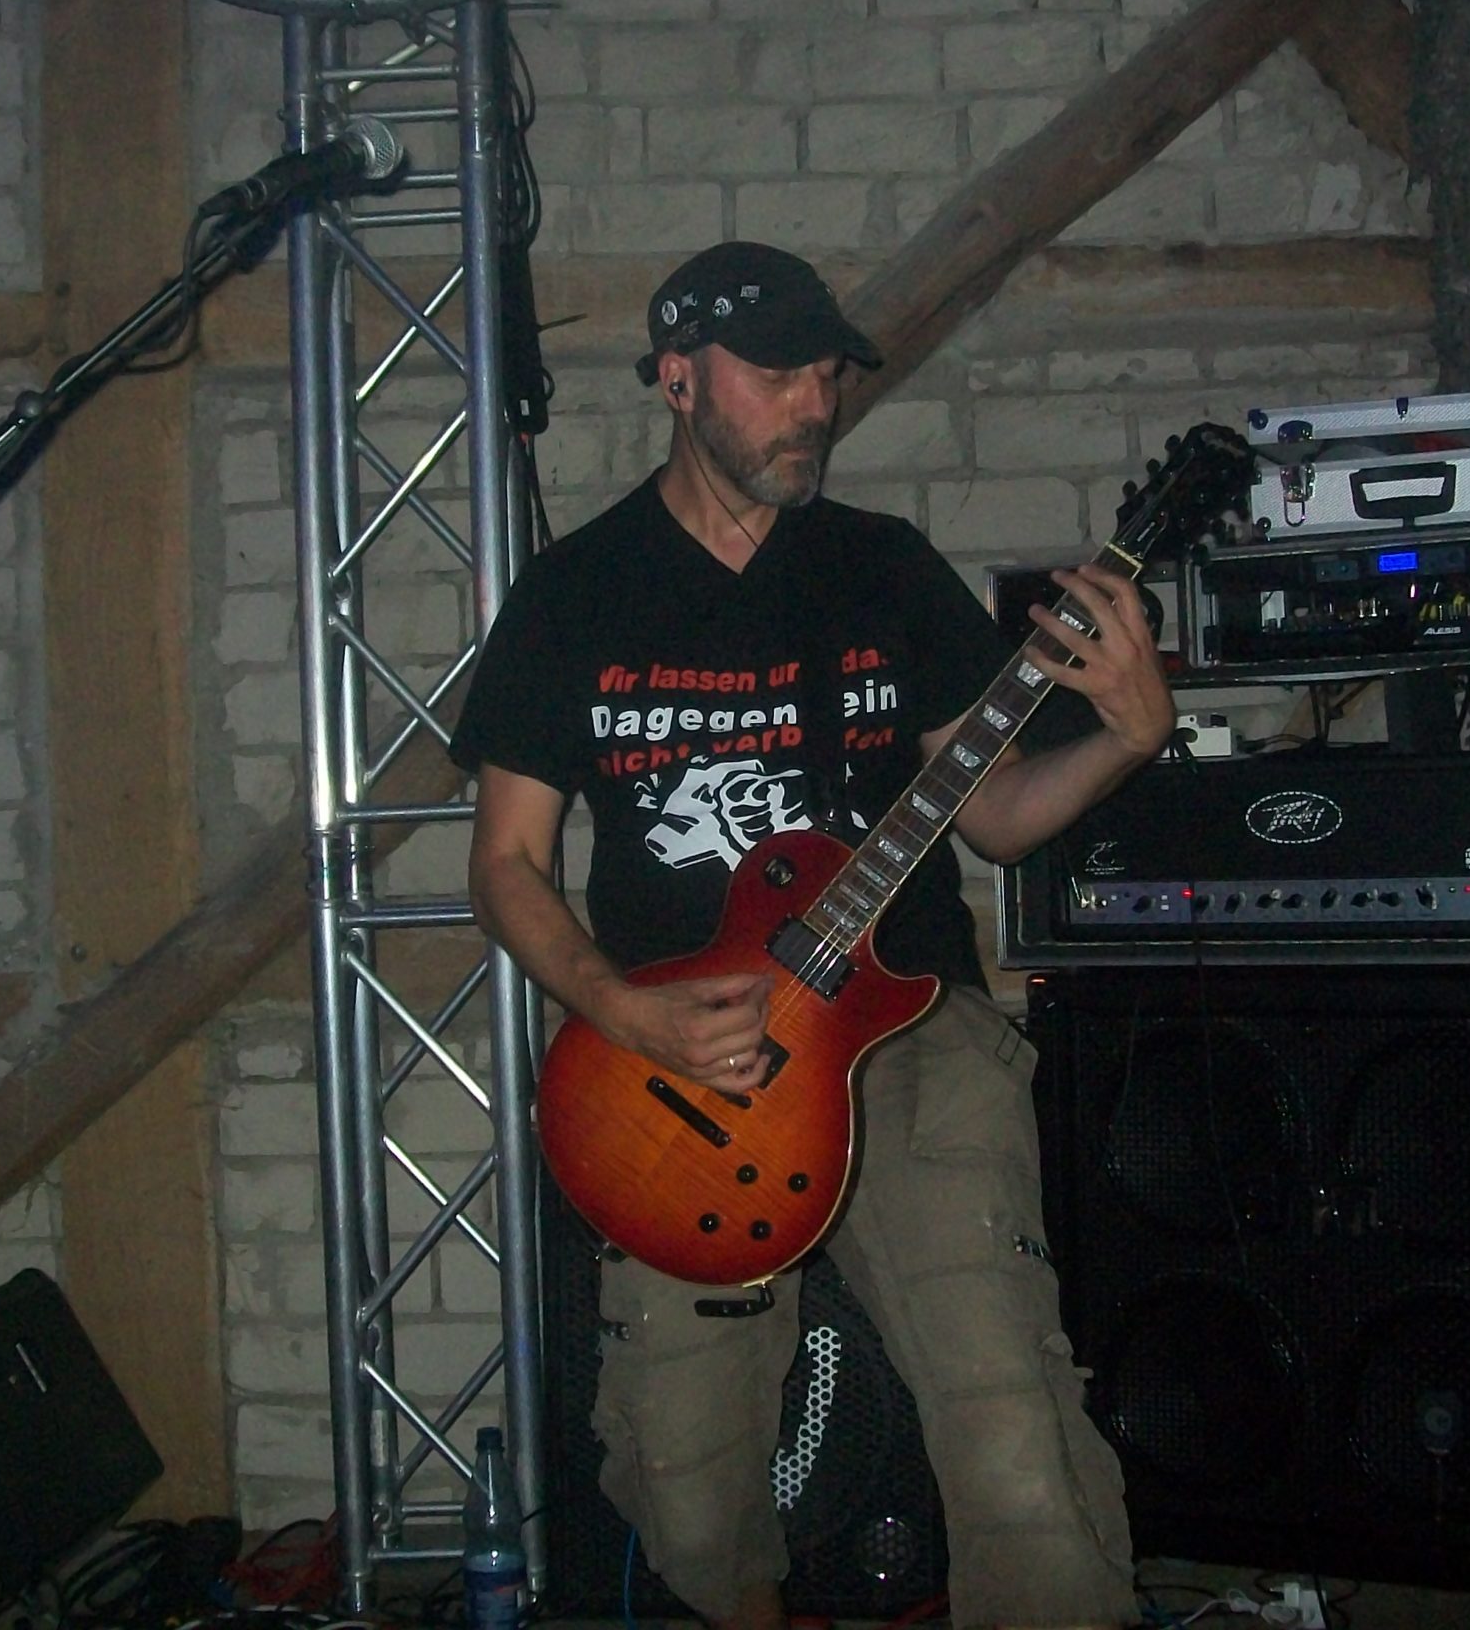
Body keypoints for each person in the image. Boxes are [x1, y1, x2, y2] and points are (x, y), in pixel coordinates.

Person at [452, 242, 1172, 1630]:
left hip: (909, 1036)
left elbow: (995, 815)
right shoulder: (575, 594)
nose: (815, 404)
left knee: (1013, 1427)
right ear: (677, 379)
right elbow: (507, 865)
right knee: (690, 1486)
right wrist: (621, 1009)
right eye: (778, 372)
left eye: (828, 373)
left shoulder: (881, 569)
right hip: (678, 1071)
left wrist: (1125, 741)